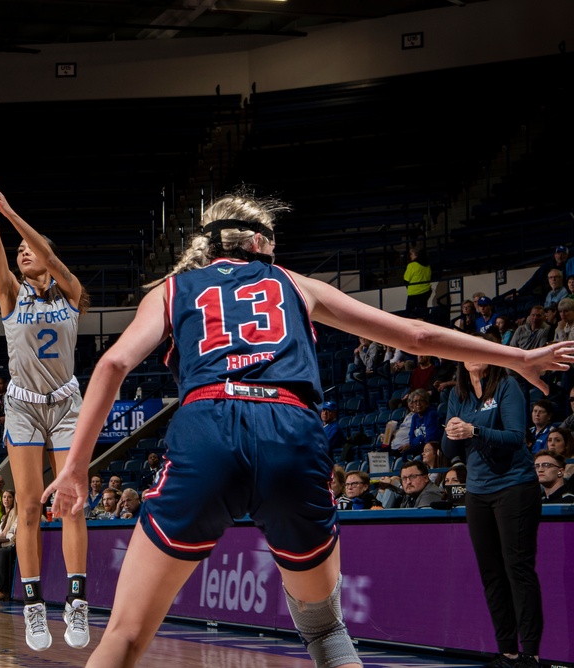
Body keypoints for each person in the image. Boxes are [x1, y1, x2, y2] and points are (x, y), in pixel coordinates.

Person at [40, 188, 574, 668]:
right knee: (324, 630)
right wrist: (515, 358)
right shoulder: (296, 284)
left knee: (128, 634)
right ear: (256, 240)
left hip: (209, 424)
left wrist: (75, 471)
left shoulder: (175, 288)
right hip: (290, 429)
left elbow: (111, 366)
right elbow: (416, 336)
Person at [0, 174, 90, 650]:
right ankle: (36, 608)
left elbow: (50, 256)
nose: (23, 252)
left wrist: (10, 209)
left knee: (71, 502)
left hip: (65, 403)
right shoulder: (9, 294)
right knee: (27, 505)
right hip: (23, 405)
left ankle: (76, 602)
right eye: (20, 249)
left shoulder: (71, 291)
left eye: (30, 248)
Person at [443, 332, 554, 668]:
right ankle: (506, 650)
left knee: (517, 569)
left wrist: (473, 431)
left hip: (514, 487)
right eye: (467, 349)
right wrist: (450, 433)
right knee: (491, 573)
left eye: (479, 348)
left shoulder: (507, 385)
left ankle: (531, 654)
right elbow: (450, 451)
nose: (473, 354)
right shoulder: (457, 394)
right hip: (478, 492)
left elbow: (515, 438)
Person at [403, 246, 432, 319]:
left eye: (411, 254)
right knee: (422, 313)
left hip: (414, 293)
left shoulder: (412, 265)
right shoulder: (427, 265)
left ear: (416, 254)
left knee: (408, 314)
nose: (410, 256)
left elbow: (406, 279)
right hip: (425, 292)